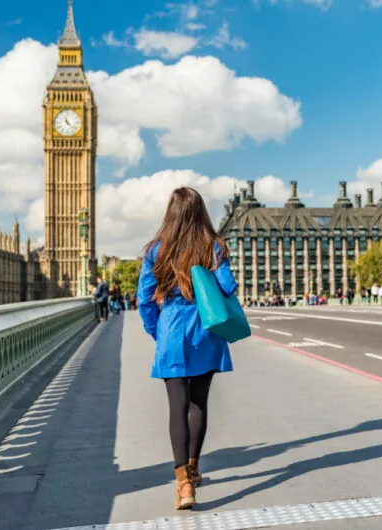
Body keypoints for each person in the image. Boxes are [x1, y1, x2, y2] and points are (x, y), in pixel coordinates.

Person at [137, 187, 238, 511]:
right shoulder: (213, 246)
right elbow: (227, 287)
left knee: (176, 407)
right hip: (205, 329)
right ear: (201, 213)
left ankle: (183, 485)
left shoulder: (155, 249)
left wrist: (158, 331)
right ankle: (193, 469)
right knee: (198, 404)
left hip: (172, 329)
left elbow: (144, 299)